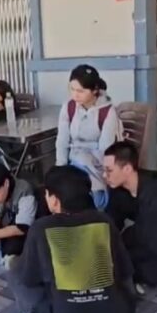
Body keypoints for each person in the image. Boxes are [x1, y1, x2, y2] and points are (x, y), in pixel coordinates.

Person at [7, 166, 136, 313]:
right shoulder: (104, 220)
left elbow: (29, 279)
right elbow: (124, 271)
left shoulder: (42, 227)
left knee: (14, 269)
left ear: (54, 200)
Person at [103, 142, 157, 292]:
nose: (104, 175)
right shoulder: (118, 188)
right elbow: (111, 221)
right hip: (141, 236)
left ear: (127, 169)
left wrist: (117, 259)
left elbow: (155, 247)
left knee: (120, 270)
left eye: (109, 170)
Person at [55, 65, 120, 210]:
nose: (75, 95)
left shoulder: (107, 111)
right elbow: (62, 141)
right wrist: (61, 170)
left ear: (95, 90)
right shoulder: (68, 107)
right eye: (72, 89)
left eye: (80, 91)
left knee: (89, 198)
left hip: (95, 166)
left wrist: (85, 161)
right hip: (72, 164)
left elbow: (105, 149)